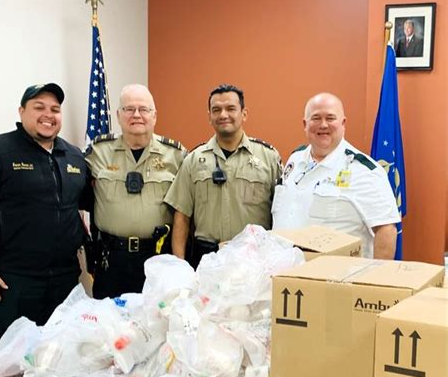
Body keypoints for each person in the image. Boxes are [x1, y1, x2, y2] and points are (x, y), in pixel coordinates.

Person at [0, 83, 88, 353]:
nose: (48, 115)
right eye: (39, 107)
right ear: (22, 111)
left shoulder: (74, 156)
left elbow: (82, 208)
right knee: (9, 362)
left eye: (55, 109)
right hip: (13, 281)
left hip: (64, 279)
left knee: (59, 356)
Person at [85, 84, 186, 298]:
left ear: (154, 115)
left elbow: (185, 211)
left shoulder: (176, 156)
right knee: (110, 326)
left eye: (143, 109)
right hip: (111, 260)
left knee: (157, 324)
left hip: (158, 258)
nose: (136, 115)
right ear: (119, 115)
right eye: (129, 109)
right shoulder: (97, 152)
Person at [164, 83, 282, 268]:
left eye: (230, 108)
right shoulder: (194, 159)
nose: (223, 115)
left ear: (244, 113)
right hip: (206, 259)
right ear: (209, 116)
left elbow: (280, 214)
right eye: (216, 110)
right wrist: (180, 266)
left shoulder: (268, 158)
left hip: (254, 259)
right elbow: (182, 216)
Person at [272, 92, 400, 259]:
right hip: (284, 274)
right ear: (305, 124)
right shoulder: (295, 160)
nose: (323, 125)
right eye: (316, 118)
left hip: (335, 279)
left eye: (330, 118)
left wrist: (376, 279)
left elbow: (386, 229)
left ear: (343, 123)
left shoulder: (364, 171)